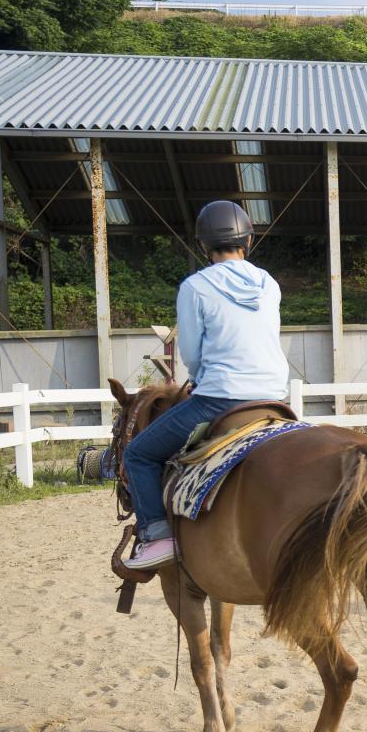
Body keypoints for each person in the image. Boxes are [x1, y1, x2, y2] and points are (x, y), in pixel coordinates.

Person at [121, 200, 290, 570]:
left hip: (220, 399)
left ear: (203, 245)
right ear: (248, 239)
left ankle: (157, 535)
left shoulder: (195, 286)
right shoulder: (269, 284)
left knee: (139, 454)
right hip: (275, 398)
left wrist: (199, 376)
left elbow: (193, 353)